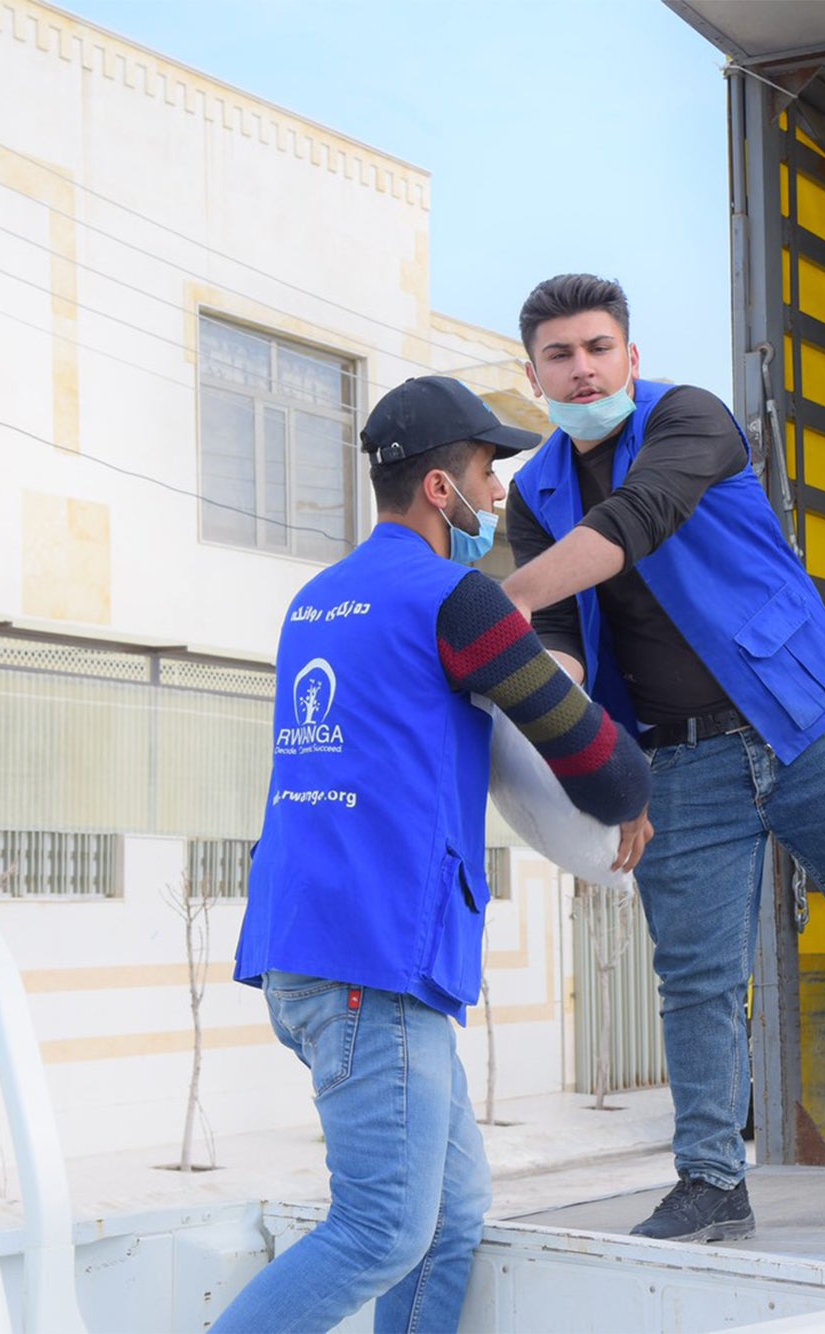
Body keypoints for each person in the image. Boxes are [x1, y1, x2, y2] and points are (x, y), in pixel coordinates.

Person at [501, 274, 825, 1245]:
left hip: (808, 719)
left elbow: (637, 519)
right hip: (677, 761)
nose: (582, 369)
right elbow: (562, 642)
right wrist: (584, 754)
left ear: (629, 353)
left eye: (597, 348)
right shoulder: (533, 495)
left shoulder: (689, 418)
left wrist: (491, 609)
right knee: (695, 979)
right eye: (559, 355)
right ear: (532, 374)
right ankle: (712, 1179)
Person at [216, 376, 653, 1333]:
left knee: (449, 1222)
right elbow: (606, 770)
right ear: (440, 489)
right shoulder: (459, 602)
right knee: (381, 1230)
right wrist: (615, 746)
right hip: (370, 965)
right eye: (488, 471)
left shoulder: (314, 602)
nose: (498, 492)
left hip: (309, 946)